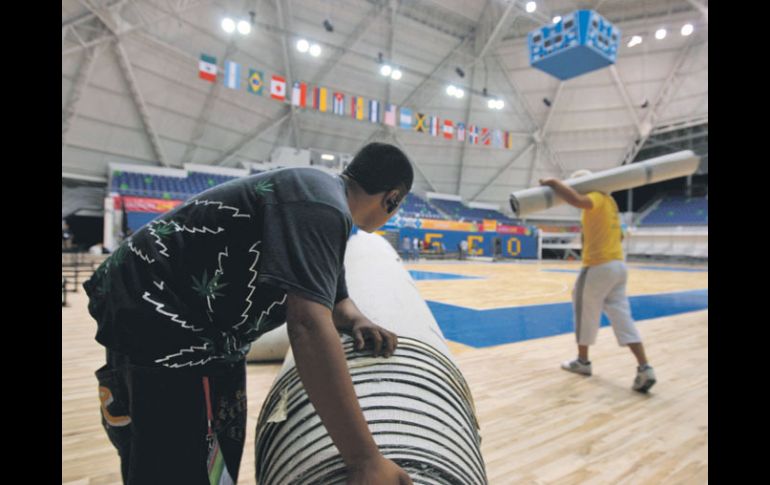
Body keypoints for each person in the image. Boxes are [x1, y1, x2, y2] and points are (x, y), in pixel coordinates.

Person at [84, 142, 416, 484]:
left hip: (182, 323)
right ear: (392, 198)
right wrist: (364, 459)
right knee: (178, 464)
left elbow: (334, 297)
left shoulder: (322, 199)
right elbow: (308, 326)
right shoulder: (321, 206)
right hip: (163, 324)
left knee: (214, 456)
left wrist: (357, 318)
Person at [540, 170, 656, 393]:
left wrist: (554, 182)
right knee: (623, 319)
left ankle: (583, 362)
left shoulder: (596, 197)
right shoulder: (611, 202)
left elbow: (576, 199)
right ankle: (644, 367)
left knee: (584, 310)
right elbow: (620, 235)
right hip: (618, 267)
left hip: (598, 266)